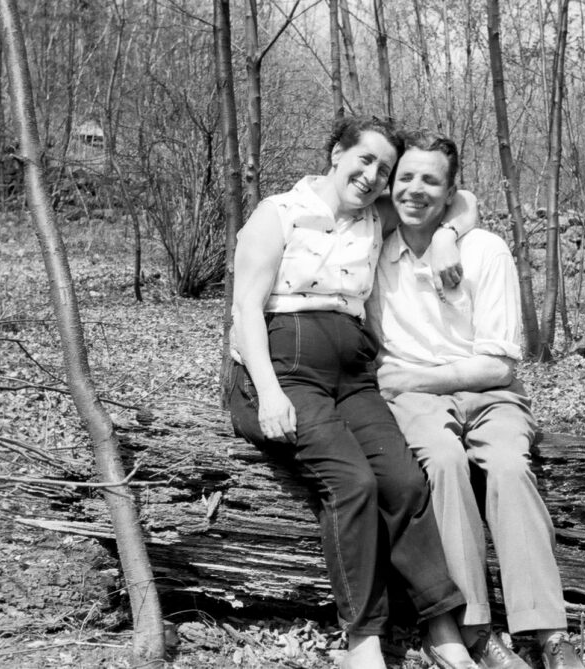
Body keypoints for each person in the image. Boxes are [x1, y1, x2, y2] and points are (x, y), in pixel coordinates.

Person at [227, 116, 481, 669]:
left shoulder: (375, 217)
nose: (372, 176)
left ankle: (442, 625)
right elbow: (246, 307)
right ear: (336, 153)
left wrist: (444, 238)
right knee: (353, 482)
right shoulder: (279, 214)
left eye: (383, 169)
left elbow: (462, 200)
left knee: (405, 480)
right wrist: (270, 394)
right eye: (363, 160)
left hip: (354, 375)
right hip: (279, 369)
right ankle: (362, 642)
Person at [367, 130, 585, 669]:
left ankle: (549, 633)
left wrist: (451, 235)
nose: (416, 189)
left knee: (510, 466)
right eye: (407, 177)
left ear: (451, 191)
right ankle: (474, 631)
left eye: (432, 181)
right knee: (442, 463)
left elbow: (499, 365)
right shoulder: (373, 247)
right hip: (416, 400)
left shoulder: (484, 250)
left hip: (486, 392)